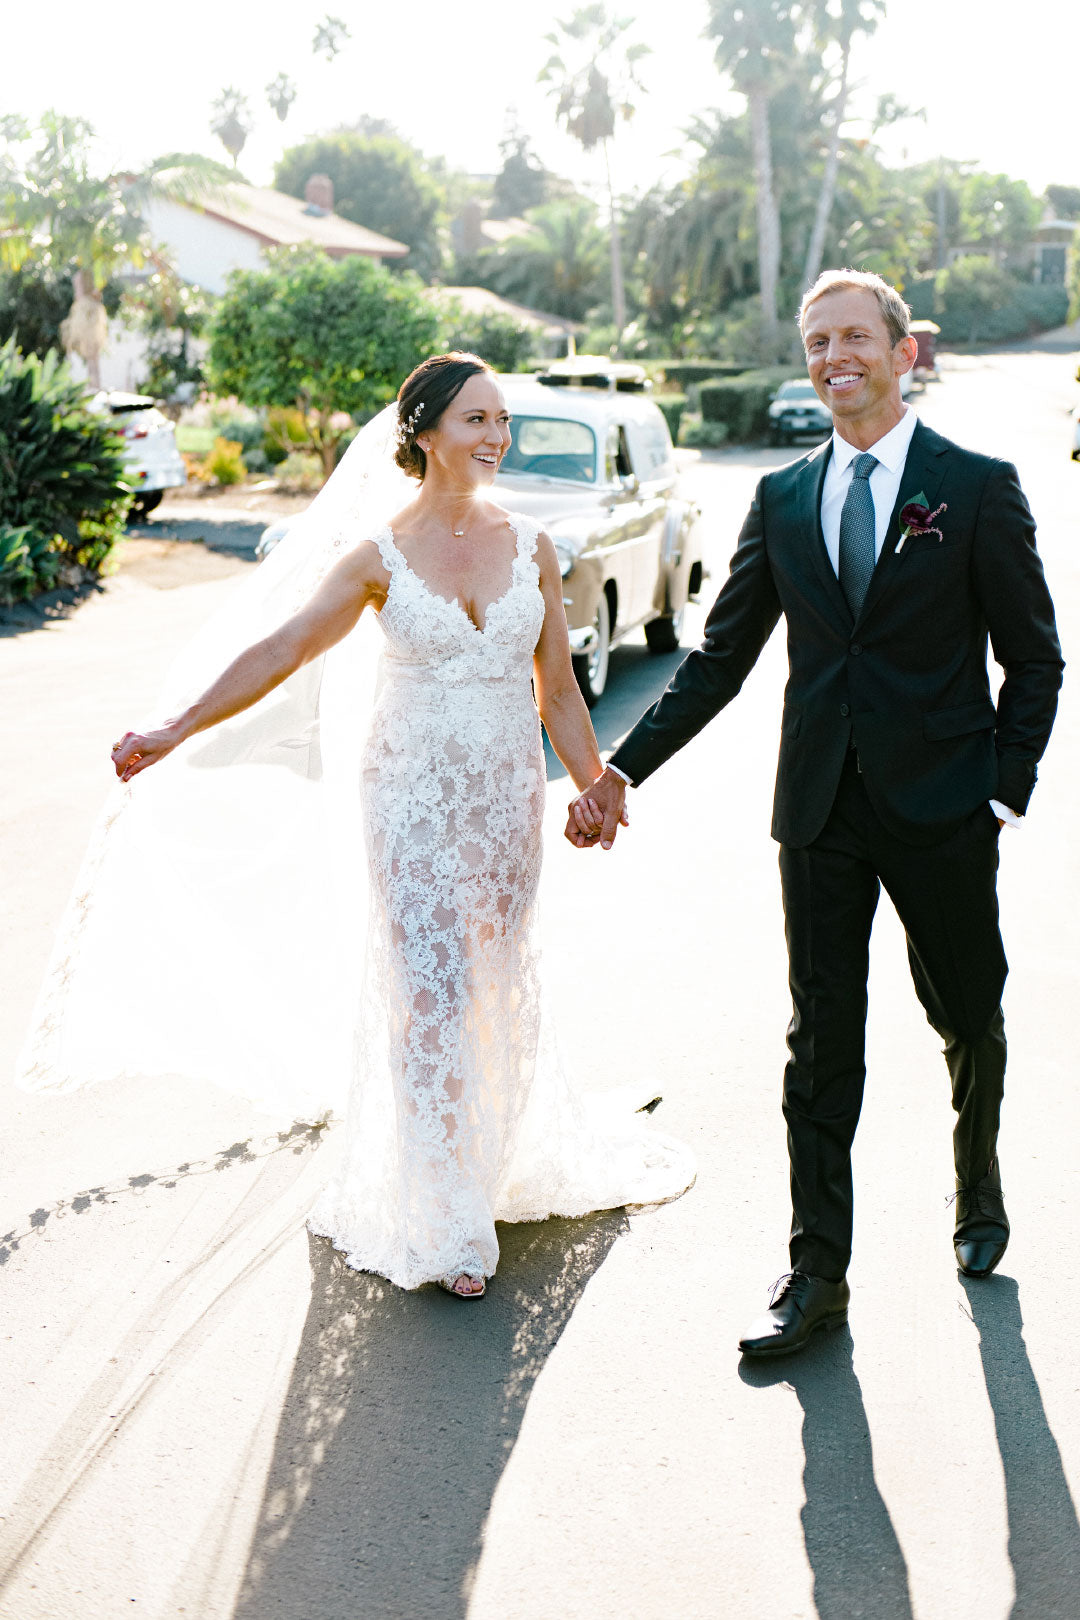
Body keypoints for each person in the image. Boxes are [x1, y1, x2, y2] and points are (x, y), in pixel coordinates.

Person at [20, 353, 694, 1299]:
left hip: (503, 799)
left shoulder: (534, 545)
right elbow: (285, 646)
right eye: (476, 420)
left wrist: (591, 786)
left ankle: (490, 1163)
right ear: (423, 433)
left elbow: (560, 693)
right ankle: (447, 1216)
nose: (497, 437)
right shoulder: (378, 556)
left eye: (503, 420)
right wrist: (174, 728)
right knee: (432, 991)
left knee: (495, 976)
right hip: (409, 798)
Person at [567, 270, 1063, 1356]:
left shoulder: (975, 487)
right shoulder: (785, 497)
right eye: (817, 341)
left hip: (943, 811)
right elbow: (717, 660)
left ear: (902, 350)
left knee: (968, 1015)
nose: (834, 355)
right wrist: (617, 773)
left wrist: (1001, 790)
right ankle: (815, 1278)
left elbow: (1035, 660)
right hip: (820, 813)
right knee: (820, 1044)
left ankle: (977, 1186)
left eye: (854, 337)